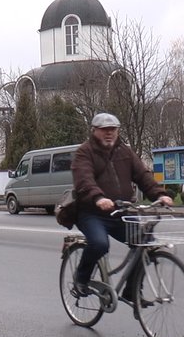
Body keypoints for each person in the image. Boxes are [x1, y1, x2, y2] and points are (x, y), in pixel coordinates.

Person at [69, 112, 173, 304]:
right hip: (92, 213)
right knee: (100, 244)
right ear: (94, 131)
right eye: (104, 130)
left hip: (120, 213)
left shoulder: (124, 152)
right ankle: (81, 279)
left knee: (146, 241)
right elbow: (84, 179)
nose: (109, 133)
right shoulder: (85, 152)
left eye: (113, 130)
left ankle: (131, 291)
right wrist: (98, 197)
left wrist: (160, 195)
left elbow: (142, 175)